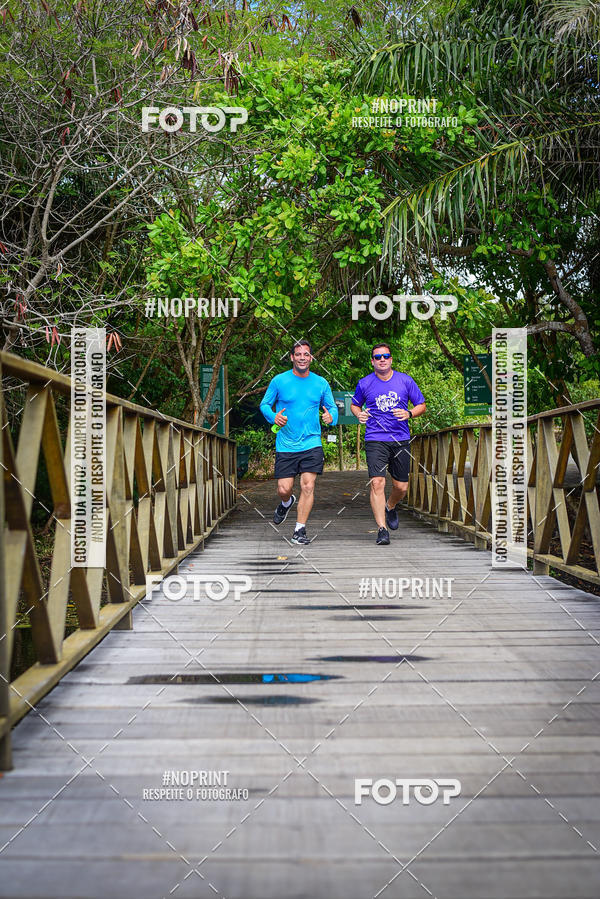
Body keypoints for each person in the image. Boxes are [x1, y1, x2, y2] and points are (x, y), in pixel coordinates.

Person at [260, 340, 338, 544]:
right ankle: (286, 502)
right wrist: (273, 416)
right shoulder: (279, 381)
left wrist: (332, 418)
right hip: (286, 443)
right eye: (298, 354)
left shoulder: (321, 383)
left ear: (311, 358)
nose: (302, 357)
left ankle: (299, 530)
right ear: (292, 357)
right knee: (284, 488)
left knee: (308, 485)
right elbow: (265, 405)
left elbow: (333, 408)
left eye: (306, 354)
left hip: (312, 443)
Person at [351, 343, 426, 545]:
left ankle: (390, 506)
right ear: (372, 361)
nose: (382, 359)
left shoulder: (405, 381)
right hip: (375, 438)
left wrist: (409, 413)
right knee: (377, 482)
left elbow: (421, 405)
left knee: (401, 487)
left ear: (391, 359)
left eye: (386, 356)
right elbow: (355, 404)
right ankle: (382, 529)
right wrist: (359, 414)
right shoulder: (365, 383)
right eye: (378, 357)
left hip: (400, 439)